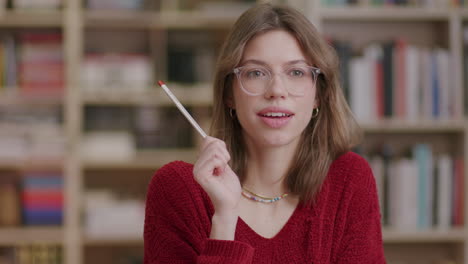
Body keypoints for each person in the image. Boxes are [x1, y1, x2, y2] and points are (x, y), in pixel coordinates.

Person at [144, 3, 385, 264]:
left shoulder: (349, 179)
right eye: (256, 73)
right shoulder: (177, 189)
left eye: (296, 72)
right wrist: (224, 218)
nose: (276, 90)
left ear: (319, 94)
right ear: (229, 94)